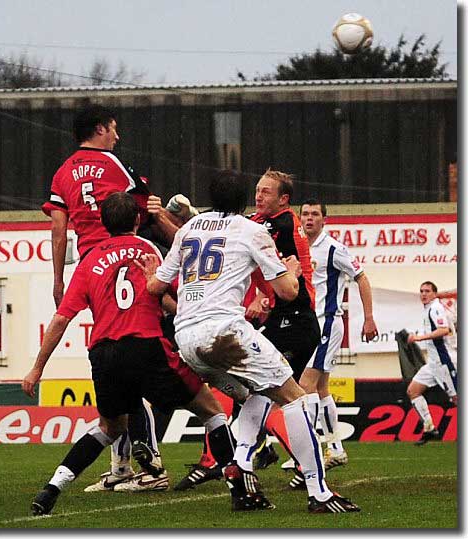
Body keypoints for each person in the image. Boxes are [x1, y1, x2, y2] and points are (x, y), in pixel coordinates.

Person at [136, 169, 360, 513]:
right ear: (244, 200)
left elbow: (156, 287)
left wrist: (151, 274)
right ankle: (319, 492)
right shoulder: (253, 230)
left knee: (256, 393)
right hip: (225, 332)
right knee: (295, 398)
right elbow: (287, 292)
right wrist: (295, 272)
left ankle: (241, 467)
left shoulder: (190, 230)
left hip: (187, 338)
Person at [23, 192, 239, 515]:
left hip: (104, 353)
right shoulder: (148, 250)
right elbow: (162, 292)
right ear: (137, 220)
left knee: (108, 427)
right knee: (211, 410)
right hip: (146, 346)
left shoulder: (90, 260)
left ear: (104, 224)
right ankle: (240, 487)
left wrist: (36, 369)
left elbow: (61, 319)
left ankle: (52, 487)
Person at [41, 104, 182, 492]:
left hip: (93, 267)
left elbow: (58, 230)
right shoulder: (114, 165)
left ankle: (127, 464)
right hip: (129, 258)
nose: (117, 136)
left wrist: (59, 279)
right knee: (134, 354)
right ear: (100, 129)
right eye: (114, 129)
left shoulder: (63, 172)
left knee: (114, 354)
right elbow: (147, 210)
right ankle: (143, 465)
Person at [175, 168, 322, 489]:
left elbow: (227, 234)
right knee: (265, 393)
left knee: (282, 394)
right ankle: (244, 460)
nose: (259, 196)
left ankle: (300, 468)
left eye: (267, 192)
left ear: (284, 200)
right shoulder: (254, 223)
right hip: (276, 318)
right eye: (257, 190)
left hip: (294, 319)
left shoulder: (281, 223)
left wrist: (186, 218)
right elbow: (223, 232)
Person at [281, 199, 378, 488]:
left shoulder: (333, 248)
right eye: (305, 214)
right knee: (321, 388)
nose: (309, 219)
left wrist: (368, 318)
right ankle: (335, 448)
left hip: (327, 323)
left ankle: (307, 457)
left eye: (314, 214)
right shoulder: (295, 248)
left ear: (324, 220)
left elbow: (361, 278)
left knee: (304, 387)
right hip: (308, 324)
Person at [407, 281, 457, 445]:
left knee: (457, 399)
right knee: (413, 390)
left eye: (427, 291)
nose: (423, 294)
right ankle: (429, 427)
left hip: (445, 361)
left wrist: (419, 338)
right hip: (433, 363)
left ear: (434, 293)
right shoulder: (429, 308)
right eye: (421, 291)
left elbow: (444, 330)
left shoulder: (436, 308)